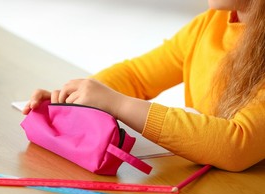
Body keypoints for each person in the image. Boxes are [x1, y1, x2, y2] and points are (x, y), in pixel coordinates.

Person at [22, 0, 265, 172]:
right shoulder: (209, 24)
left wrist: (117, 104)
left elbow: (236, 145)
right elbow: (136, 76)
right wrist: (76, 98)